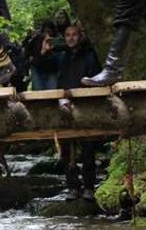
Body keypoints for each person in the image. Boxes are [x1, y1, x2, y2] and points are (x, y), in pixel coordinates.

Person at [57, 24, 102, 200]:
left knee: (88, 149)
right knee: (67, 150)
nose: (71, 38)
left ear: (80, 36)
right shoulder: (61, 56)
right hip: (64, 106)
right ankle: (72, 187)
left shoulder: (90, 55)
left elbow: (96, 78)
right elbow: (41, 64)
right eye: (67, 35)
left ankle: (89, 187)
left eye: (74, 34)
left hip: (85, 106)